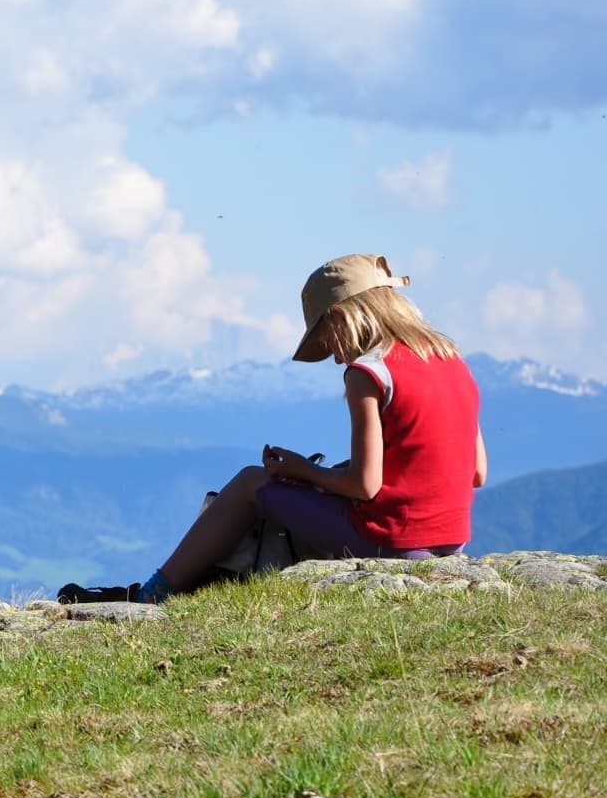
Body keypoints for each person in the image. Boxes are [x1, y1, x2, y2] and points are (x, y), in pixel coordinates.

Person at [64, 253, 487, 605]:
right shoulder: (452, 359)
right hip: (452, 542)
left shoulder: (368, 372)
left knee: (251, 482)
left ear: (340, 318)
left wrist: (305, 472)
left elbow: (365, 486)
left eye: (329, 342)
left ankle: (153, 594)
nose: (337, 358)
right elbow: (476, 473)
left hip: (393, 541)